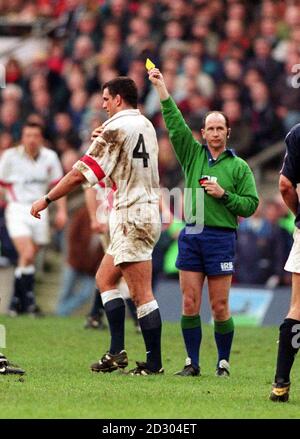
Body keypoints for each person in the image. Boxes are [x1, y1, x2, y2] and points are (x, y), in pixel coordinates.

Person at [30, 77, 163, 375]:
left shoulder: (115, 129)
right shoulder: (146, 126)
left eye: (105, 99)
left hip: (133, 215)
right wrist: (100, 141)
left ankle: (154, 363)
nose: (102, 105)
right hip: (139, 212)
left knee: (141, 293)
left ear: (118, 99)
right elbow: (121, 162)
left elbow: (80, 175)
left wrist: (47, 199)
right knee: (105, 280)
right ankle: (116, 352)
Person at [148, 68, 259, 377]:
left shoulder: (239, 167)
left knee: (220, 306)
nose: (214, 133)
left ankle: (223, 363)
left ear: (227, 133)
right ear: (204, 132)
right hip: (192, 233)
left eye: (219, 128)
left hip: (222, 238)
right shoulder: (192, 155)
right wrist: (161, 88)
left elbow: (251, 205)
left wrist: (225, 195)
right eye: (209, 128)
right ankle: (191, 363)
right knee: (188, 301)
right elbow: (174, 123)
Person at [0, 122, 67, 316]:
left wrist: (61, 211)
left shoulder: (50, 157)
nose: (31, 139)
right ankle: (30, 303)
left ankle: (15, 302)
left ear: (41, 138)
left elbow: (57, 186)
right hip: (18, 208)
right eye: (27, 135)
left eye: (35, 135)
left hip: (41, 209)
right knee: (27, 253)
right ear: (22, 137)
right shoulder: (10, 157)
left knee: (26, 259)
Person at [269, 123, 300, 402]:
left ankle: (281, 383)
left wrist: (298, 215)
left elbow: (285, 184)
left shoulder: (297, 133)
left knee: (297, 307)